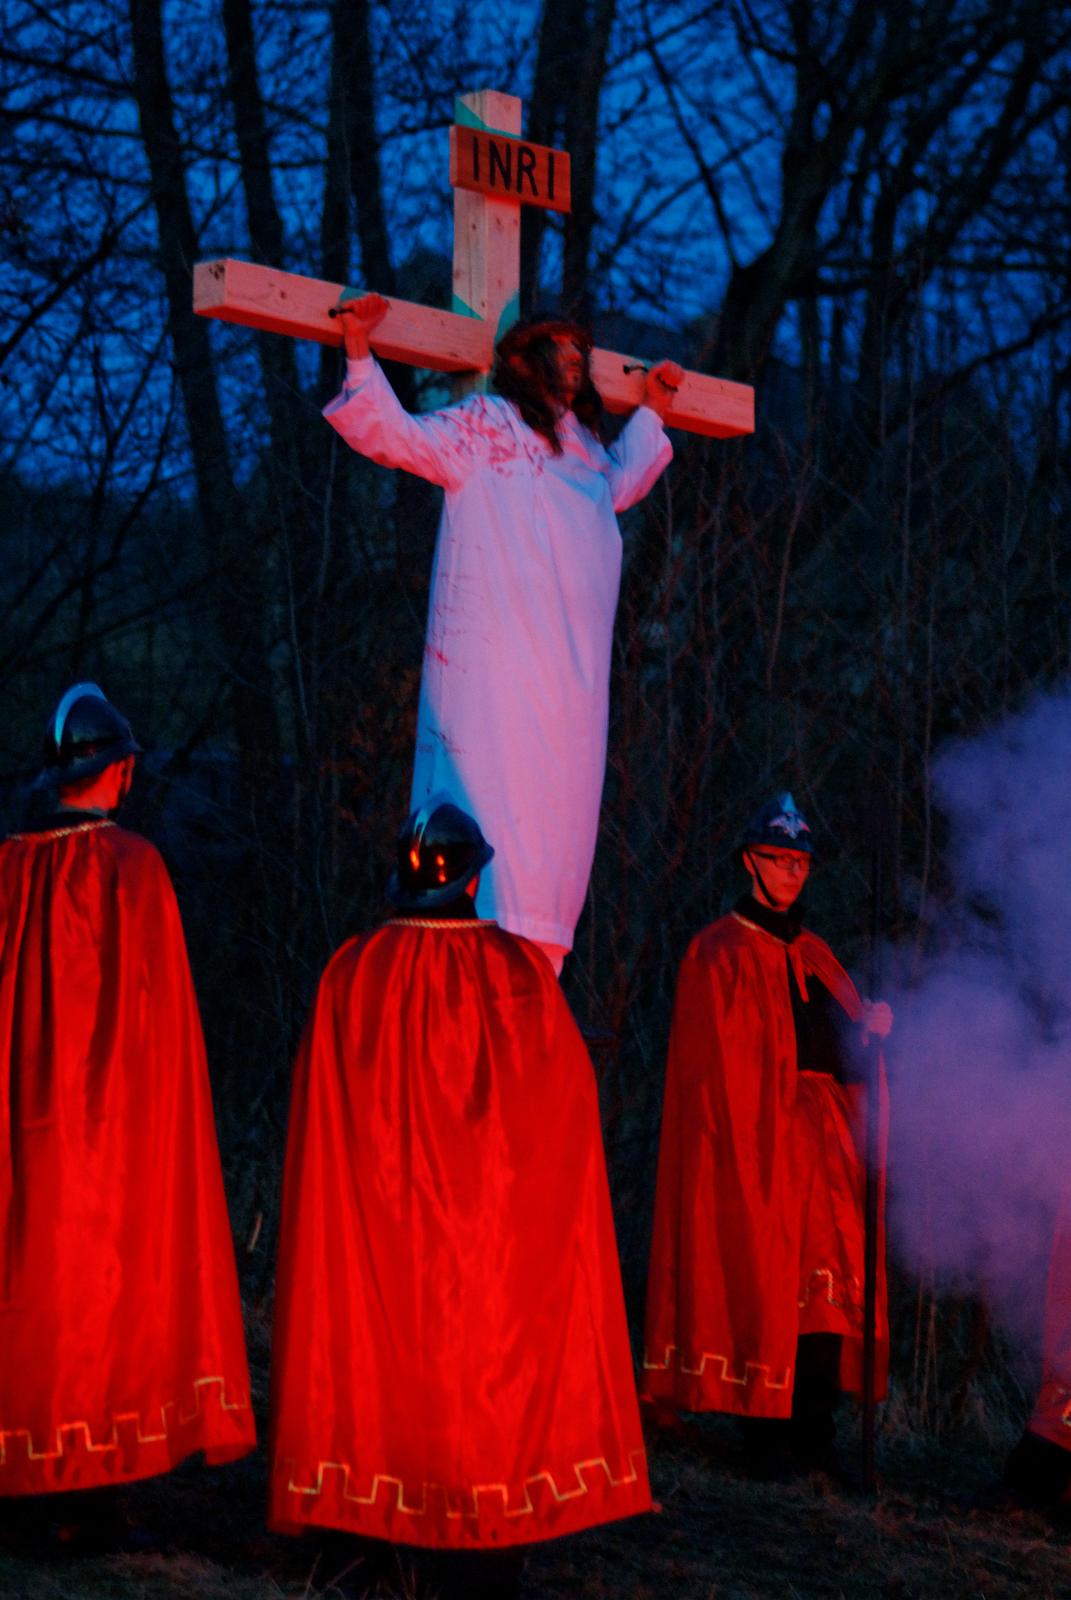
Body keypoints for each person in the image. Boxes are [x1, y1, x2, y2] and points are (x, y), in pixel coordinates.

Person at [269, 799, 651, 1597]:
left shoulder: (353, 971)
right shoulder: (516, 975)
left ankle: (367, 1530)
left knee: (376, 1351)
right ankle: (480, 1541)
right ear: (473, 882)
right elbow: (559, 1109)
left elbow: (324, 1120)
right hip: (488, 1232)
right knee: (482, 1367)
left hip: (377, 1217)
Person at [325, 296, 682, 974]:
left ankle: (533, 978)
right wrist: (359, 350)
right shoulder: (486, 427)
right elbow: (398, 436)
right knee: (485, 814)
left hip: (569, 699)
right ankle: (465, 952)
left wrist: (654, 411)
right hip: (494, 679)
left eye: (580, 350)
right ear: (525, 359)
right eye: (561, 347)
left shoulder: (588, 457)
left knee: (554, 842)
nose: (574, 360)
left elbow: (623, 478)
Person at [0, 684, 255, 1550]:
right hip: (109, 1125)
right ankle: (87, 1492)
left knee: (32, 1281)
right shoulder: (133, 868)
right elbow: (161, 1023)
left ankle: (36, 1482)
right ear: (121, 772)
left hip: (24, 1123)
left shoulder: (8, 869)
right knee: (95, 1290)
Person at [642, 793, 892, 1477]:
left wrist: (869, 1036)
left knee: (825, 1295)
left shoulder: (816, 955)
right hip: (754, 1147)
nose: (791, 872)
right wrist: (763, 1128)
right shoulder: (717, 953)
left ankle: (816, 1433)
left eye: (800, 862)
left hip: (825, 1150)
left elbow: (841, 1059)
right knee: (766, 1283)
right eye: (779, 859)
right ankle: (765, 1435)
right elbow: (715, 1075)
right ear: (750, 862)